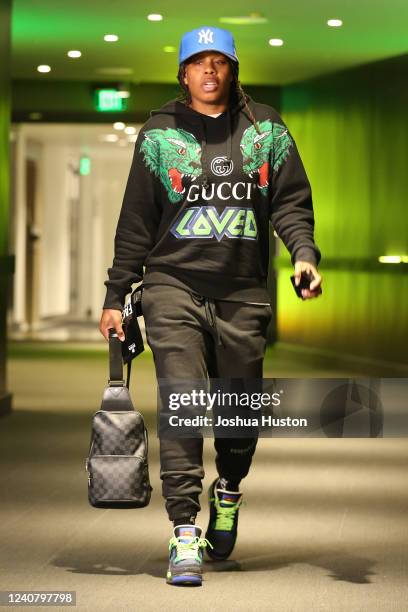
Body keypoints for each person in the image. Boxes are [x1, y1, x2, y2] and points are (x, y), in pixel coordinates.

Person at [99, 25, 322, 586]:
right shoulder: (158, 133)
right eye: (197, 62)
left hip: (243, 292)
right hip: (171, 283)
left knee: (239, 414)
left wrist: (303, 254)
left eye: (218, 62)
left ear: (232, 69)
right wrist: (116, 294)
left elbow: (291, 202)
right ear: (183, 73)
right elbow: (135, 223)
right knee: (183, 401)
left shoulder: (266, 129)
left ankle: (229, 487)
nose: (208, 71)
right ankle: (183, 530)